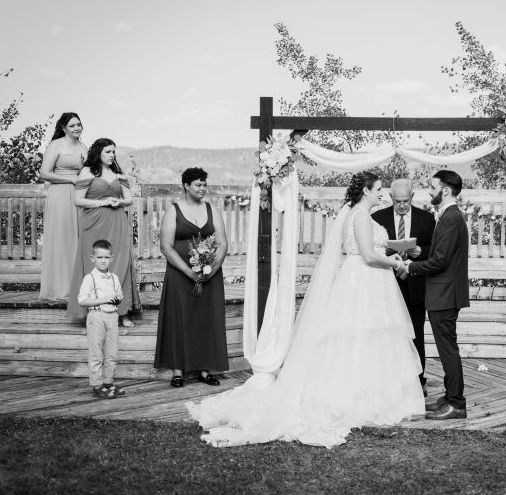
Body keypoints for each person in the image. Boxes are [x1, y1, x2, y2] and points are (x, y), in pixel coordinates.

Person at [186, 171, 424, 447]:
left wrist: (392, 256)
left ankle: (373, 393)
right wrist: (397, 264)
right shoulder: (359, 215)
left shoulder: (360, 215)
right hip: (363, 283)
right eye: (379, 189)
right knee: (359, 337)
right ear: (366, 192)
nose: (382, 194)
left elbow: (372, 249)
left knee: (370, 339)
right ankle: (359, 398)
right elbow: (369, 256)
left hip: (369, 283)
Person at [154, 168, 229, 387]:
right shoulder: (173, 211)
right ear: (186, 185)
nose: (203, 188)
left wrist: (211, 270)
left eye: (205, 184)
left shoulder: (211, 209)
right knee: (179, 318)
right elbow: (165, 246)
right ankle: (178, 370)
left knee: (206, 318)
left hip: (209, 275)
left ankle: (204, 369)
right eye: (198, 184)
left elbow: (223, 243)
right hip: (180, 274)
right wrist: (189, 272)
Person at [406, 170, 469, 420]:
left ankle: (456, 403)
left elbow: (440, 261)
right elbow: (440, 255)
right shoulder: (448, 216)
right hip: (443, 293)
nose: (429, 191)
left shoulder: (451, 218)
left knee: (448, 351)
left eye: (432, 187)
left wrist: (410, 267)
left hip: (445, 294)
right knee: (447, 349)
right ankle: (448, 396)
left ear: (445, 190)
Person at [371, 178, 436, 396]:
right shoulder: (377, 218)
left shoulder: (426, 219)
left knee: (416, 333)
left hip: (416, 284)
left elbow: (434, 250)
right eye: (397, 201)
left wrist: (419, 252)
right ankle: (389, 379)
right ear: (390, 198)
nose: (401, 205)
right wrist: (391, 253)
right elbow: (373, 249)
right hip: (387, 284)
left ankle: (418, 381)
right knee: (387, 334)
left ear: (412, 197)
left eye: (405, 201)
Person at [66, 139, 140, 324]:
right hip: (93, 224)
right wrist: (103, 202)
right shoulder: (87, 171)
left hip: (117, 222)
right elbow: (78, 200)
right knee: (94, 265)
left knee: (120, 263)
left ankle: (122, 312)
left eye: (114, 152)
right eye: (108, 152)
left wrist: (119, 202)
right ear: (98, 152)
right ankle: (93, 312)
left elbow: (129, 198)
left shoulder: (118, 173)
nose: (112, 155)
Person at [38, 112, 88, 300]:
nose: (77, 128)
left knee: (77, 238)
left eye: (79, 125)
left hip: (78, 196)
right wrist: (71, 179)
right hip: (60, 195)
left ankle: (76, 286)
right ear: (63, 128)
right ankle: (60, 288)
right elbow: (44, 173)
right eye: (73, 125)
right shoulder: (56, 145)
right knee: (62, 237)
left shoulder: (83, 147)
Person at [77, 239, 126, 399]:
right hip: (96, 316)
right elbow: (82, 300)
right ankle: (97, 385)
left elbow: (118, 296)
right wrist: (104, 299)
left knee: (112, 353)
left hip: (112, 316)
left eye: (106, 257)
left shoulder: (115, 278)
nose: (103, 260)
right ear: (93, 258)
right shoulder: (89, 278)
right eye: (100, 257)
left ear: (111, 258)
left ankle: (108, 382)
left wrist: (117, 298)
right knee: (96, 353)